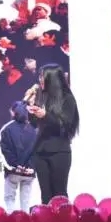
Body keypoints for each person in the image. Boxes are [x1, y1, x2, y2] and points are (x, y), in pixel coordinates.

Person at [27, 63, 79, 205]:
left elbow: (65, 125)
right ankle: (46, 218)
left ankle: (63, 218)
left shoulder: (67, 99)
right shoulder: (41, 96)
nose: (40, 80)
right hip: (40, 151)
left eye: (42, 76)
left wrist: (45, 115)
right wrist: (32, 109)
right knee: (45, 195)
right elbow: (34, 123)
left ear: (52, 78)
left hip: (59, 151)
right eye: (39, 76)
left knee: (59, 193)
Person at [0, 101, 38, 213]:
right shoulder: (33, 129)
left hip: (13, 171)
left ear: (13, 112)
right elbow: (37, 151)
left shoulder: (6, 128)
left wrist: (15, 166)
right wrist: (32, 168)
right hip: (29, 173)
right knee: (25, 203)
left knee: (9, 199)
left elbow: (4, 150)